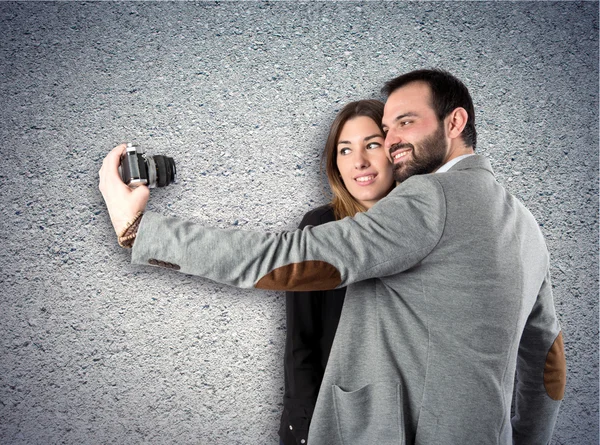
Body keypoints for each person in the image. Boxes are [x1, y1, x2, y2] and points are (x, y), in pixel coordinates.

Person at [99, 69, 566, 444]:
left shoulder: (430, 196)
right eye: (388, 128)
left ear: (455, 123)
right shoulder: (526, 224)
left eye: (406, 122)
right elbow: (549, 362)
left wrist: (140, 230)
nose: (394, 138)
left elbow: (293, 259)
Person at [279, 100, 394, 445]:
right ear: (335, 165)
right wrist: (303, 430)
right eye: (345, 150)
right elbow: (302, 340)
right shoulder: (320, 229)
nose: (359, 161)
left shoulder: (429, 226)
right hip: (334, 417)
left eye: (372, 144)